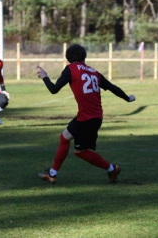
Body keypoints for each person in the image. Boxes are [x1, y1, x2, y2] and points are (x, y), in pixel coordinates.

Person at [37, 44, 136, 184]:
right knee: (64, 138)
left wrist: (45, 77)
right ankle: (52, 174)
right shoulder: (93, 72)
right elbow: (112, 87)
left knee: (80, 152)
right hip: (93, 116)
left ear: (68, 58)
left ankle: (112, 168)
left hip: (87, 118)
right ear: (84, 57)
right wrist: (128, 98)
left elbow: (54, 89)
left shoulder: (71, 69)